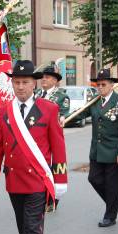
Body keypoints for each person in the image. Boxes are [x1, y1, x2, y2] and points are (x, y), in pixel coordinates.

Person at [0, 60, 68, 234]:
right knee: (23, 226)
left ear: (34, 84)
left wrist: (60, 179)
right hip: (14, 181)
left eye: (25, 82)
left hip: (37, 182)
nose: (20, 87)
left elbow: (58, 147)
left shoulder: (49, 109)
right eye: (16, 82)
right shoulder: (5, 111)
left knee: (32, 226)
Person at [85, 69, 118, 227]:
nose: (100, 87)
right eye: (97, 84)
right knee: (93, 179)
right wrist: (64, 117)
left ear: (112, 85)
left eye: (103, 84)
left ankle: (110, 215)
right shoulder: (95, 101)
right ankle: (114, 202)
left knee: (113, 185)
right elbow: (81, 114)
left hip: (114, 151)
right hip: (97, 150)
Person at [36, 63, 70, 212]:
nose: (43, 79)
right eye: (42, 77)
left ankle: (53, 198)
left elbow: (64, 113)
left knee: (53, 167)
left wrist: (63, 117)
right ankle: (40, 196)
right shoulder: (36, 94)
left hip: (52, 137)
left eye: (47, 77)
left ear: (55, 80)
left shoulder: (61, 96)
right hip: (37, 138)